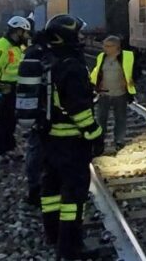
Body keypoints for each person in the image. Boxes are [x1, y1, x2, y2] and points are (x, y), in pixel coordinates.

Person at [40, 14, 103, 260]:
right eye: (77, 34)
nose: (82, 38)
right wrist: (95, 135)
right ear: (66, 36)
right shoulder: (71, 66)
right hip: (71, 143)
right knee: (73, 195)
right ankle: (70, 248)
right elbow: (78, 108)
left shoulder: (48, 60)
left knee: (51, 190)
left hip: (50, 141)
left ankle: (53, 235)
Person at [0, 15, 30, 157]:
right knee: (5, 120)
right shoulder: (1, 46)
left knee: (10, 119)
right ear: (17, 31)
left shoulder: (18, 47)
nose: (26, 35)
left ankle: (8, 146)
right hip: (4, 89)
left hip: (14, 88)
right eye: (25, 32)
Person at [89, 36, 136, 150]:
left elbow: (136, 71)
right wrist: (92, 85)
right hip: (104, 94)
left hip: (120, 94)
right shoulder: (101, 57)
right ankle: (100, 142)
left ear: (116, 47)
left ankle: (119, 141)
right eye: (104, 45)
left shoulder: (127, 56)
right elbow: (97, 72)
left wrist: (129, 82)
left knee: (120, 118)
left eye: (108, 46)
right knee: (101, 119)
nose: (105, 48)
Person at [22, 18, 48, 207]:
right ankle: (38, 189)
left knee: (35, 149)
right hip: (44, 112)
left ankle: (34, 189)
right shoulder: (44, 56)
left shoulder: (30, 53)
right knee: (39, 149)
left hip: (35, 111)